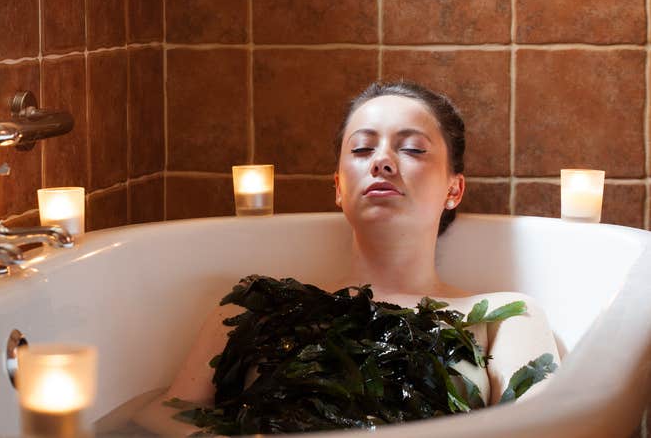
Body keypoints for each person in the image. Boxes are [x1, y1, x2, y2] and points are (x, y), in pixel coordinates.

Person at [134, 81, 561, 435]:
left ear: (454, 189)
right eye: (361, 150)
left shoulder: (504, 318)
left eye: (412, 149)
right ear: (338, 187)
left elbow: (548, 429)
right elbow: (160, 419)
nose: (382, 162)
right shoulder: (256, 309)